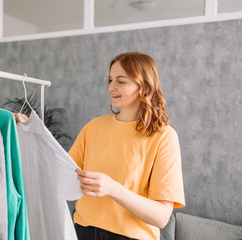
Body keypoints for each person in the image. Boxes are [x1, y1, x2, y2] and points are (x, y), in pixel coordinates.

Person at [68, 52, 186, 240]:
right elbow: (63, 174)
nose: (111, 87)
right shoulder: (93, 127)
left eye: (120, 81)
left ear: (145, 87)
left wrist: (112, 188)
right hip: (83, 232)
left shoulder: (164, 137)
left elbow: (162, 217)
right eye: (110, 80)